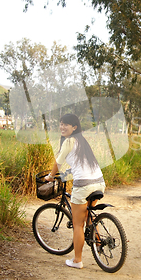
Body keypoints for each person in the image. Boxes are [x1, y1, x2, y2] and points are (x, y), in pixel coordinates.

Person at [45, 113, 105, 269]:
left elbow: (57, 163)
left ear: (74, 127)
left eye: (66, 124)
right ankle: (99, 242)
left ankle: (77, 260)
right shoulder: (82, 141)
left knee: (78, 224)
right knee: (88, 214)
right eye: (61, 123)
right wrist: (69, 172)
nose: (62, 127)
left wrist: (51, 177)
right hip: (99, 182)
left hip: (84, 185)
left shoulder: (69, 141)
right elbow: (81, 164)